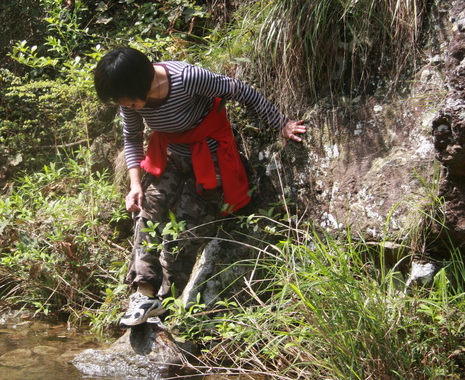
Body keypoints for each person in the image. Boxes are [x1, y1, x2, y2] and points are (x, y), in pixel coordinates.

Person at [93, 47, 306, 327]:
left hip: (210, 155)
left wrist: (282, 124)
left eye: (129, 101)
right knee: (149, 210)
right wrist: (134, 185)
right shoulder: (129, 98)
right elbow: (132, 138)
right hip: (169, 153)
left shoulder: (188, 78)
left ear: (142, 83)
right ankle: (143, 294)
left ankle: (165, 304)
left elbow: (240, 91)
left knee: (185, 230)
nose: (127, 106)